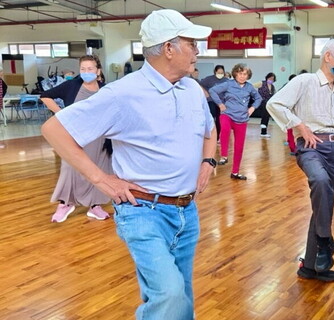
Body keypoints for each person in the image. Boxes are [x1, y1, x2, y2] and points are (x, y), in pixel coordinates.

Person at [41, 9, 216, 320]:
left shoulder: (192, 89)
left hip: (187, 211)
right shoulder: (123, 94)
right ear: (168, 48)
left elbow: (209, 129)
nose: (197, 51)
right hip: (144, 213)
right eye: (191, 43)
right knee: (170, 296)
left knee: (182, 296)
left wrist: (208, 160)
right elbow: (54, 130)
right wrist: (102, 180)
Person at [267, 39, 334, 282]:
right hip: (311, 146)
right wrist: (299, 126)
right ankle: (325, 241)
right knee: (320, 181)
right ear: (328, 57)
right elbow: (275, 104)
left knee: (324, 204)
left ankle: (311, 267)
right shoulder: (305, 81)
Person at [40, 55, 112, 223]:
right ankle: (65, 203)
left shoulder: (106, 90)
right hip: (75, 135)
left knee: (98, 168)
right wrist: (62, 114)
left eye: (90, 69)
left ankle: (95, 206)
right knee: (70, 167)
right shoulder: (72, 85)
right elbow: (45, 95)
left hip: (99, 137)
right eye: (83, 69)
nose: (86, 72)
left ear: (98, 71)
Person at [209, 63, 262, 180]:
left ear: (248, 76)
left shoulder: (249, 87)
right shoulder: (228, 84)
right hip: (227, 114)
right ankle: (224, 156)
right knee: (225, 129)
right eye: (240, 73)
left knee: (239, 147)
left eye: (245, 74)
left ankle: (235, 172)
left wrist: (252, 108)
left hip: (242, 118)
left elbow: (258, 98)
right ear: (235, 74)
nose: (242, 76)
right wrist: (220, 104)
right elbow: (212, 91)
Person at [199, 65, 228, 141]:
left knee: (219, 119)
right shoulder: (209, 79)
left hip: (221, 102)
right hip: (211, 101)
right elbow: (200, 84)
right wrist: (206, 93)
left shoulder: (226, 80)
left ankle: (218, 137)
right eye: (219, 72)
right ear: (215, 72)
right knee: (211, 118)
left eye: (222, 72)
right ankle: (207, 135)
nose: (220, 74)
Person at [258, 72, 277, 138]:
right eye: (270, 78)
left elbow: (273, 94)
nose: (271, 80)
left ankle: (264, 132)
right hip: (262, 102)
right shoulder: (262, 83)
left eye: (272, 79)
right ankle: (263, 131)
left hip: (268, 103)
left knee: (266, 117)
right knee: (264, 116)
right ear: (267, 77)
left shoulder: (272, 86)